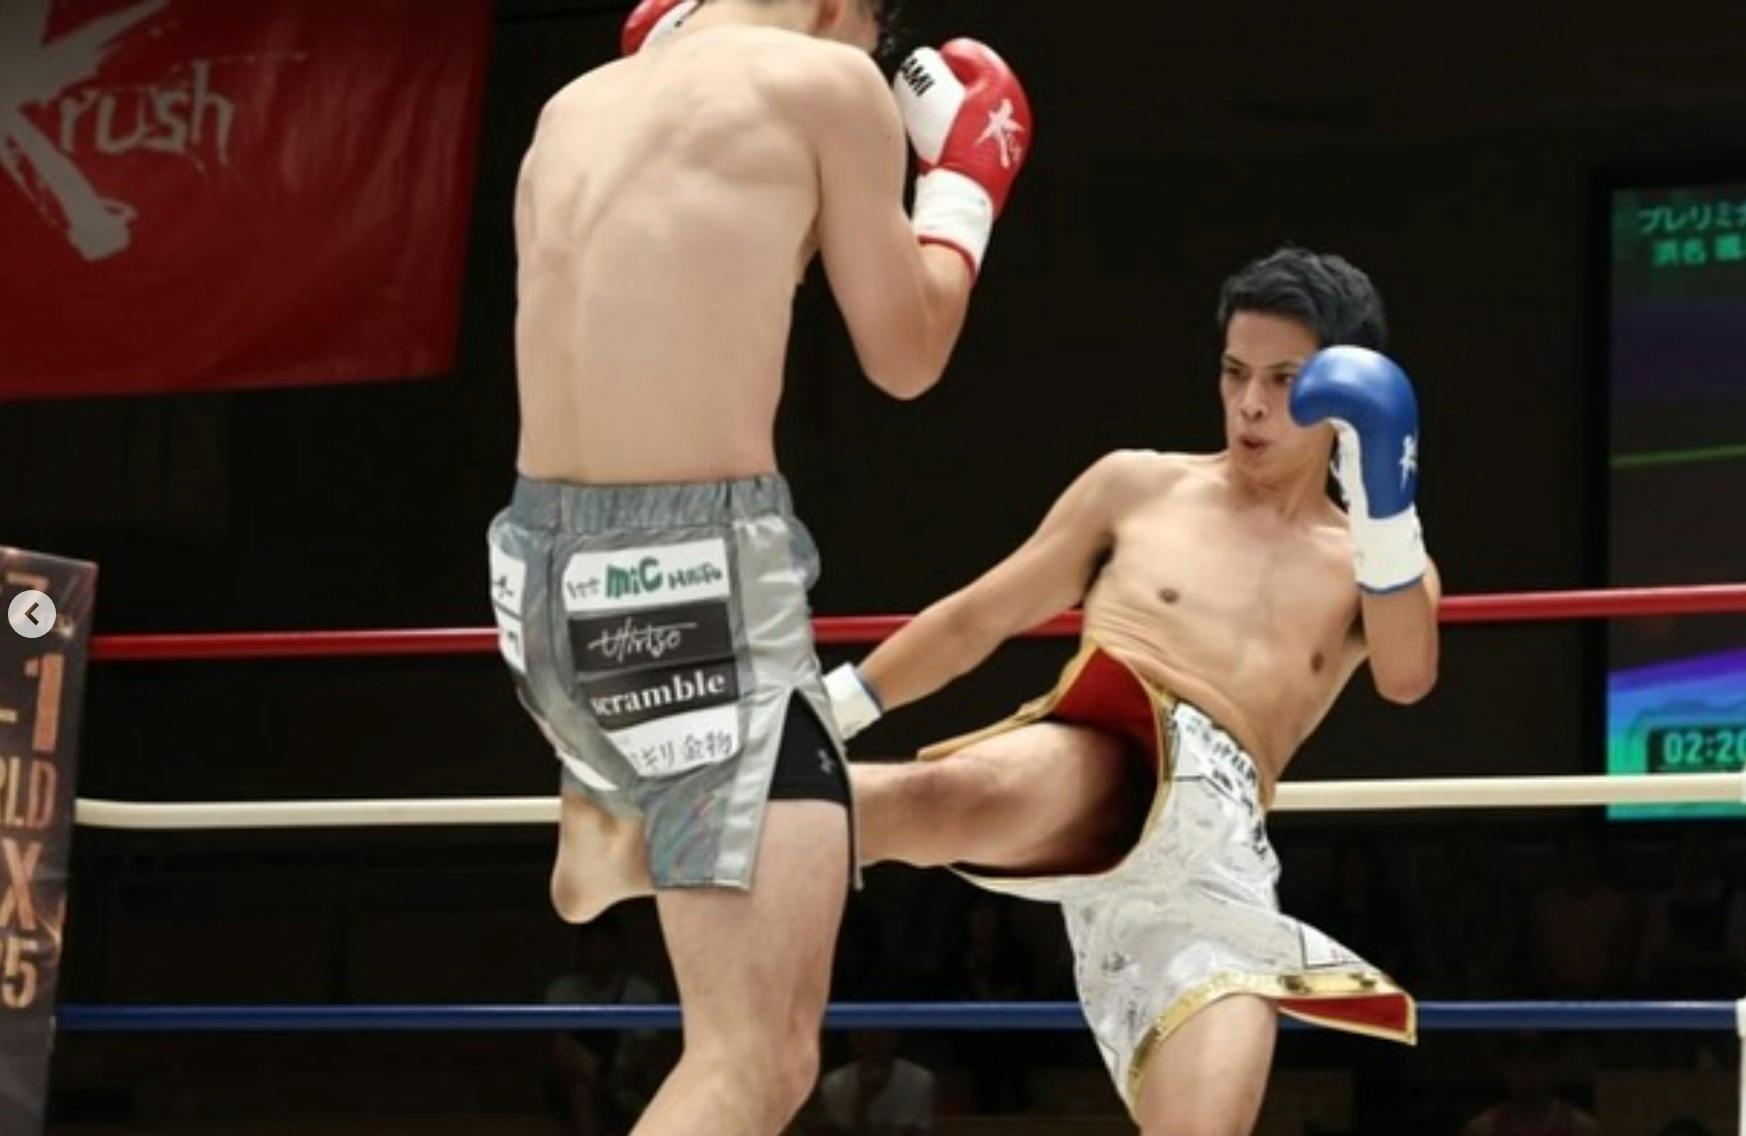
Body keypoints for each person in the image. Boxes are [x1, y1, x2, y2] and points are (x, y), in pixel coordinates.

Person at [484, 2, 1033, 1133]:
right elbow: (908, 355)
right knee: (758, 1060)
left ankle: (613, 817)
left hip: (536, 580)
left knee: (737, 879)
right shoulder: (824, 85)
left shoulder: (571, 109)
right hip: (689, 591)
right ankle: (639, 819)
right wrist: (963, 189)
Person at [830, 247, 1441, 1135]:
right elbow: (976, 619)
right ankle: (690, 816)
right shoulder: (1139, 487)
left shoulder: (1368, 561)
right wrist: (836, 706)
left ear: (1344, 396)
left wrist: (1386, 501)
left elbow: (1407, 675)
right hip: (1112, 746)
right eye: (1234, 372)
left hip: (1219, 870)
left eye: (1283, 381)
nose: (1250, 403)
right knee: (931, 799)